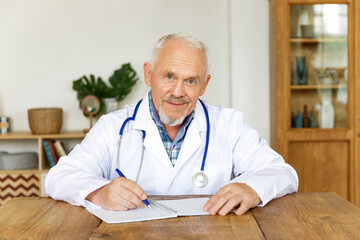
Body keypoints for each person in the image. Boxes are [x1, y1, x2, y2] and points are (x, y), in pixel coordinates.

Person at [45, 33, 298, 216]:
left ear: (204, 84)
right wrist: (98, 192)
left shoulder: (228, 124)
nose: (178, 91)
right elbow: (58, 177)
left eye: (191, 81)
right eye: (169, 76)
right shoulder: (114, 126)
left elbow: (284, 173)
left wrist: (252, 187)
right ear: (148, 74)